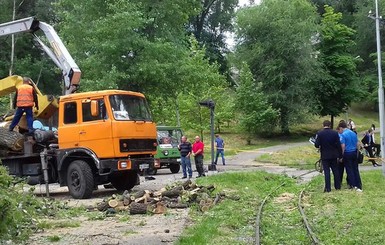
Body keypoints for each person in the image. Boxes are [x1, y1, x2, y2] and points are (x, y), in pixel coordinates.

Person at [314, 120, 341, 192]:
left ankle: (328, 188)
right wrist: (340, 155)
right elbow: (338, 144)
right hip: (334, 155)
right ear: (330, 125)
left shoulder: (320, 133)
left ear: (323, 125)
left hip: (325, 155)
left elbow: (316, 145)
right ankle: (337, 186)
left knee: (326, 171)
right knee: (335, 171)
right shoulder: (335, 133)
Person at [338, 120, 362, 192]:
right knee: (355, 169)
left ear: (341, 128)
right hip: (354, 152)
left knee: (349, 170)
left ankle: (352, 185)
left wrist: (341, 156)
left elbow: (343, 146)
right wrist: (357, 152)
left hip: (347, 153)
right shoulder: (353, 133)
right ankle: (359, 184)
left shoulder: (343, 134)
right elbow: (358, 143)